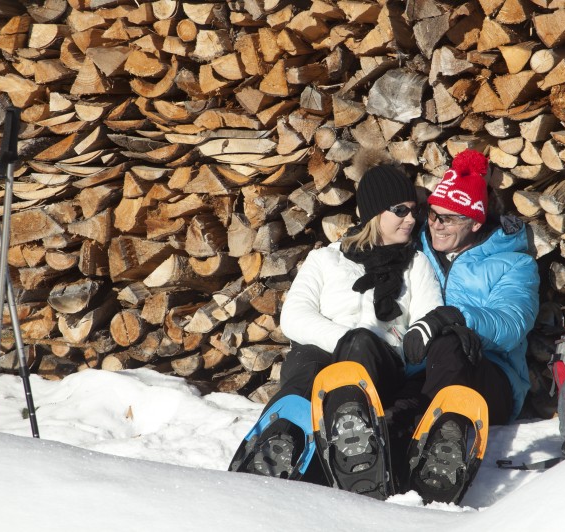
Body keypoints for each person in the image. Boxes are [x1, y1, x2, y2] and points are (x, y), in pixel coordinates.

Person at [229, 159, 444, 500]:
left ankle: (350, 444)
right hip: (321, 359)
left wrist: (373, 342)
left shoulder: (416, 265)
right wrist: (341, 339)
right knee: (308, 364)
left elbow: (427, 320)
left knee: (360, 344)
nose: (411, 219)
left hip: (381, 367)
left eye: (414, 211)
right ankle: (277, 442)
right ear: (374, 212)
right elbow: (295, 317)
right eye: (400, 210)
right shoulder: (326, 260)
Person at [400, 149, 540, 502]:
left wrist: (456, 318)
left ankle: (441, 455)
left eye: (449, 218)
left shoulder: (513, 263)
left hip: (492, 377)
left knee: (449, 345)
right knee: (399, 405)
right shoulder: (417, 253)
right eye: (432, 215)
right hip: (424, 369)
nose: (436, 225)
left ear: (475, 222)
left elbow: (511, 324)